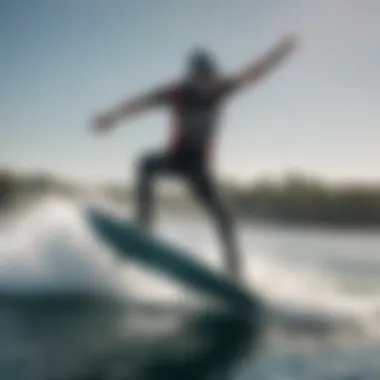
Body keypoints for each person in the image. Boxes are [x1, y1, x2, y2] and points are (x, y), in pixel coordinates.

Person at [92, 35, 298, 282]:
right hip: (176, 158)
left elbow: (253, 74)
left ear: (213, 75)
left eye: (209, 76)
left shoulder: (220, 91)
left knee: (224, 219)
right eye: (201, 76)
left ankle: (234, 272)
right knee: (145, 163)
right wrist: (111, 117)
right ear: (191, 75)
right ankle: (144, 226)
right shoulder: (176, 93)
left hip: (200, 168)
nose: (206, 82)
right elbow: (139, 104)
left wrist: (278, 54)